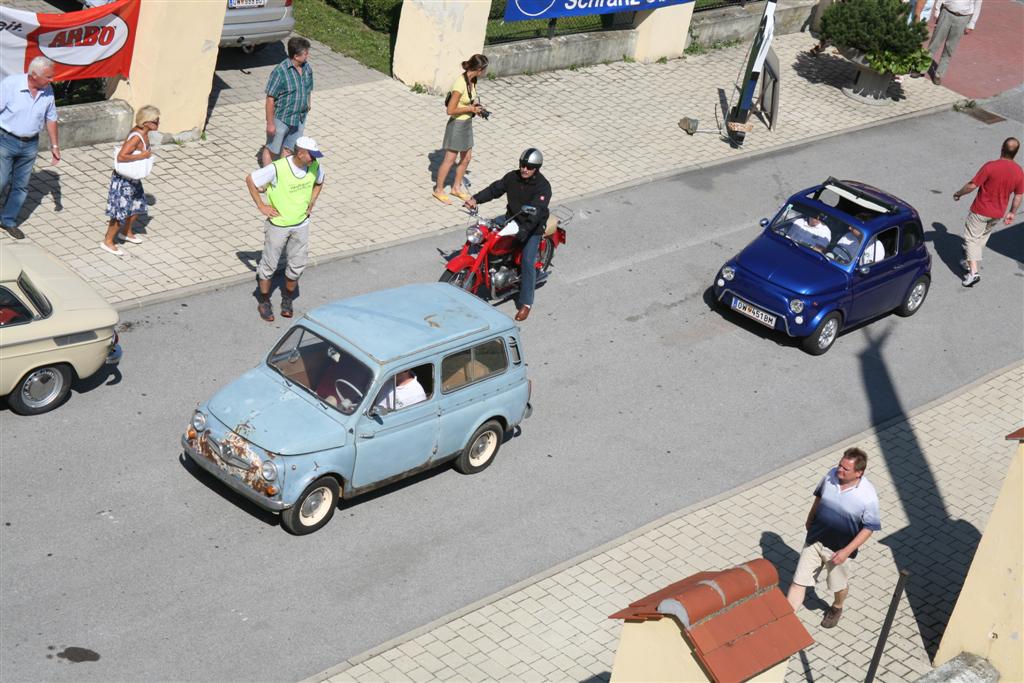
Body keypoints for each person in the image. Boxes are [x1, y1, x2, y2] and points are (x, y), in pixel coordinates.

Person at [786, 448, 881, 629]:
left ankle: (837, 607)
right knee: (799, 582)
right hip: (816, 539)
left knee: (838, 585)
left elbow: (869, 528)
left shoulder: (867, 496)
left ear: (859, 473)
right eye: (840, 465)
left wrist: (846, 552)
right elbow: (819, 497)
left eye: (845, 469)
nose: (839, 470)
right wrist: (810, 518)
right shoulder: (831, 475)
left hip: (839, 549)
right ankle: (787, 619)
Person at [463, 148, 551, 322]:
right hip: (512, 217)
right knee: (486, 234)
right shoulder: (513, 177)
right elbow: (495, 189)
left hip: (531, 226)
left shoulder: (542, 187)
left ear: (537, 168)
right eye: (522, 165)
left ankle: (526, 303)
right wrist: (475, 199)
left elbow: (537, 212)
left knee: (527, 262)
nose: (524, 169)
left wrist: (525, 231)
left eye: (529, 167)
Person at [246, 136, 325, 322]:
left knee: (297, 266)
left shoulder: (315, 167)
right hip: (278, 226)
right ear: (300, 153)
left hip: (301, 225)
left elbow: (320, 182)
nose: (314, 159)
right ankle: (264, 301)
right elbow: (250, 180)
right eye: (311, 156)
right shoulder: (278, 168)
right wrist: (261, 206)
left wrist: (312, 201)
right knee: (269, 266)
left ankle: (287, 299)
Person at [0, 56, 60, 239]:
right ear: (34, 75)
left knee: (21, 186)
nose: (52, 80)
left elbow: (51, 118)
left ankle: (8, 221)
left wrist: (55, 145)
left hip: (30, 144)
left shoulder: (48, 91)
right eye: (48, 77)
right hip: (5, 140)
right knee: (1, 182)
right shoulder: (10, 85)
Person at [953, 137, 1023, 287]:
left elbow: (972, 185)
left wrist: (958, 193)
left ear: (1002, 148)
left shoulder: (991, 167)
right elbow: (1018, 195)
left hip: (980, 210)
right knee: (981, 239)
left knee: (971, 239)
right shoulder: (1019, 172)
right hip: (997, 213)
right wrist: (1012, 212)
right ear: (1016, 153)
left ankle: (973, 273)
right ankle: (969, 262)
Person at [100, 106, 160, 256]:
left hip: (133, 180)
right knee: (119, 213)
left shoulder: (144, 133)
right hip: (123, 181)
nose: (158, 123)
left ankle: (126, 232)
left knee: (138, 207)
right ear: (146, 122)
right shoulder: (136, 137)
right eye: (155, 120)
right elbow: (121, 156)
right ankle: (108, 241)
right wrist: (143, 156)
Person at [433, 54, 489, 205]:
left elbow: (470, 99)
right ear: (478, 69)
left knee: (467, 158)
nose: (484, 72)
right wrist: (470, 108)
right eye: (483, 70)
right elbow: (450, 110)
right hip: (457, 126)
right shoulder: (459, 84)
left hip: (466, 123)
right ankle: (438, 190)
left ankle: (456, 188)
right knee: (450, 160)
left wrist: (476, 107)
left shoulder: (473, 80)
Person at [262, 37, 314, 167]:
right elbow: (270, 99)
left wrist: (308, 104)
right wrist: (270, 124)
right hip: (282, 118)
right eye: (305, 53)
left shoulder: (307, 68)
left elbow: (308, 89)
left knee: (289, 148)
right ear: (296, 56)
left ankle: (282, 175)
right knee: (272, 149)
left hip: (299, 118)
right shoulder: (280, 72)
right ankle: (266, 178)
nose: (308, 55)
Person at [922, 0, 982, 86]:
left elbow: (977, 6)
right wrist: (937, 10)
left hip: (963, 18)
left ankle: (939, 75)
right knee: (934, 43)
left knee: (949, 49)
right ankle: (921, 68)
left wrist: (971, 24)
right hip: (946, 12)